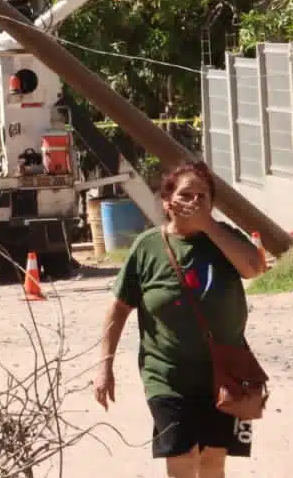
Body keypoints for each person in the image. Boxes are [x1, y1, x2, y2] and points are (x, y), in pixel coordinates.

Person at [91, 161, 267, 478]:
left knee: (213, 462)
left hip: (223, 373)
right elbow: (118, 310)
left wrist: (210, 226)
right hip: (167, 376)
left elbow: (254, 269)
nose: (196, 202)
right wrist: (105, 366)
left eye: (203, 196)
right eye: (187, 194)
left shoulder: (224, 237)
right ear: (167, 202)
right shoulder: (148, 247)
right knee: (183, 461)